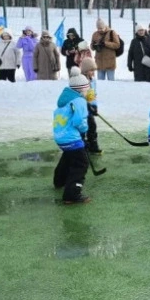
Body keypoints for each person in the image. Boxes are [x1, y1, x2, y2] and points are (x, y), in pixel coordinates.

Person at [53, 67, 92, 204]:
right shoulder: (79, 101)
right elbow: (79, 121)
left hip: (60, 137)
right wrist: (83, 132)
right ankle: (72, 194)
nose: (88, 91)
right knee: (81, 163)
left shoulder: (64, 100)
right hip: (71, 137)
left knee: (69, 157)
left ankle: (59, 181)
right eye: (87, 89)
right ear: (81, 89)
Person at [81, 57, 102, 154]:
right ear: (85, 70)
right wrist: (87, 105)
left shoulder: (93, 81)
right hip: (83, 109)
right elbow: (81, 96)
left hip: (90, 108)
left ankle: (93, 145)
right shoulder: (81, 81)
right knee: (84, 128)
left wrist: (95, 106)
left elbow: (93, 95)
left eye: (94, 70)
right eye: (91, 70)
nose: (93, 72)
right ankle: (83, 147)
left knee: (92, 126)